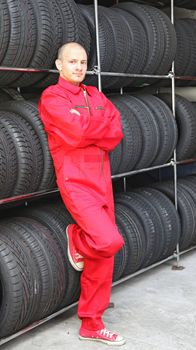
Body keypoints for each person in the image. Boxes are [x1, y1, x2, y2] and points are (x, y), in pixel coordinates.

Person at [38, 42, 125, 346]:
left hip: (103, 181)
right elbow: (76, 133)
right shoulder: (52, 97)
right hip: (76, 181)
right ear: (59, 65)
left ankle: (92, 323)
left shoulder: (95, 96)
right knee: (108, 240)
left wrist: (89, 126)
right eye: (72, 61)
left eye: (83, 61)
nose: (78, 67)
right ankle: (76, 237)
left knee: (104, 257)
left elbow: (116, 132)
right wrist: (92, 129)